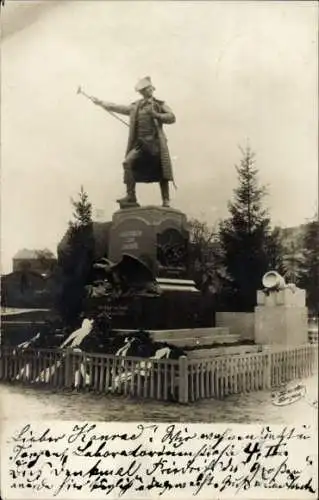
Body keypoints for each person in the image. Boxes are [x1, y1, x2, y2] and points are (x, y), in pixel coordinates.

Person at [92, 77, 176, 208]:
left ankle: (166, 199)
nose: (150, 91)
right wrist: (101, 103)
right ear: (142, 92)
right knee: (127, 163)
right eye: (147, 89)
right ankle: (131, 196)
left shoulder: (160, 104)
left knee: (162, 170)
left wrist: (158, 115)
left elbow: (172, 117)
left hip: (156, 144)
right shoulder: (135, 107)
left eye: (150, 88)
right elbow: (117, 107)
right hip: (140, 145)